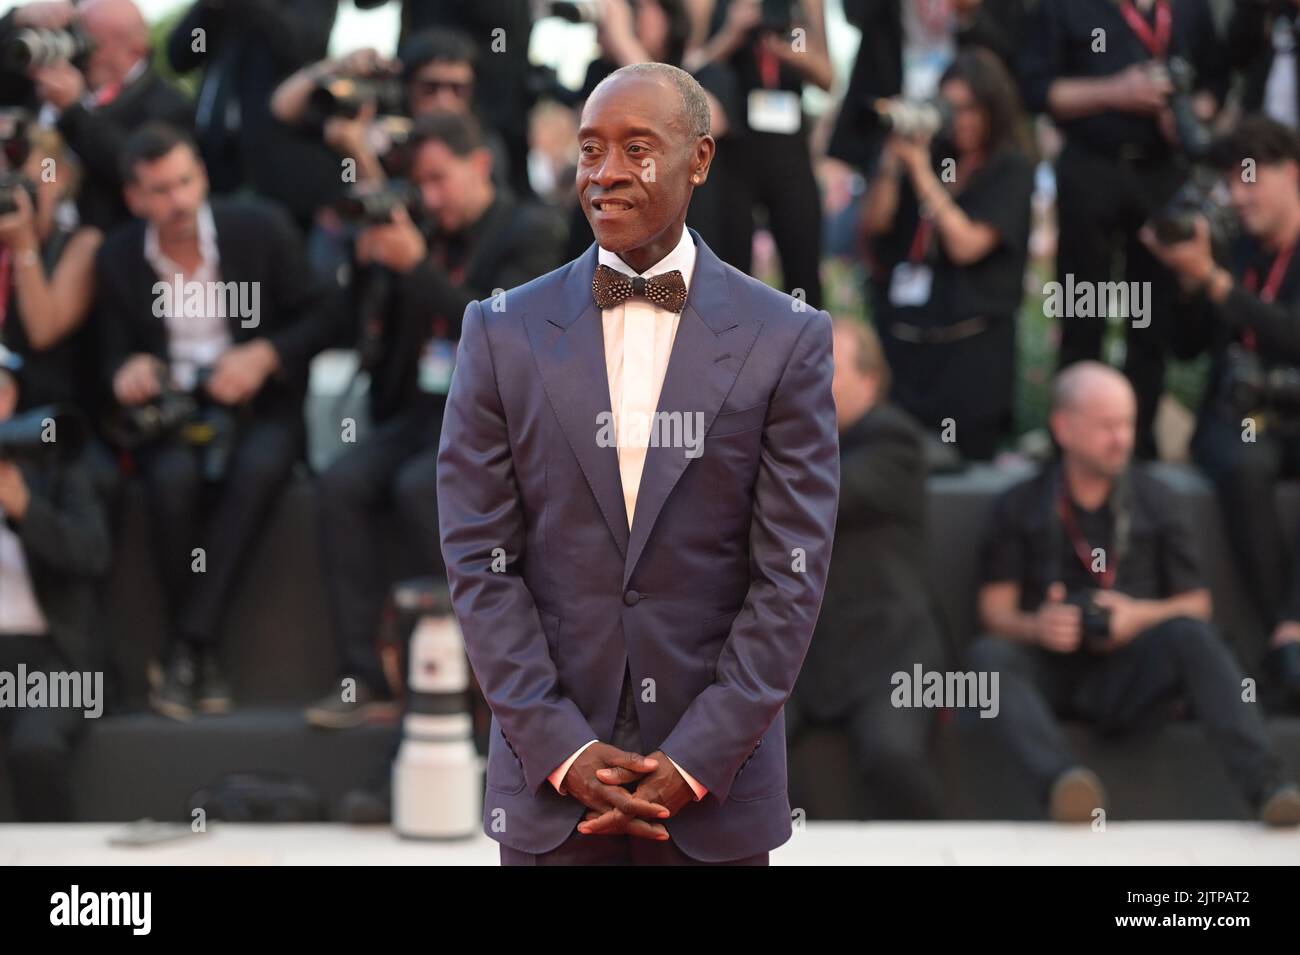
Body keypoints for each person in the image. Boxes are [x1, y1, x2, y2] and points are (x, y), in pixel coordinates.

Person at [436, 62, 839, 865]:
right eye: (590, 149)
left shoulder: (786, 336)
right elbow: (479, 560)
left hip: (714, 797)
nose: (607, 172)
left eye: (637, 147)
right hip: (550, 791)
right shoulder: (500, 330)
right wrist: (560, 747)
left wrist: (696, 759)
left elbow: (791, 575)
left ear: (700, 160)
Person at [305, 110, 566, 729]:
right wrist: (379, 267)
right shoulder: (427, 230)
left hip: (496, 424)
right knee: (339, 484)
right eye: (421, 183)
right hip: (420, 414)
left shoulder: (532, 230)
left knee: (421, 488)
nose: (430, 196)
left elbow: (499, 334)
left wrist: (416, 267)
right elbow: (373, 329)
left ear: (478, 165)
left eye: (438, 179)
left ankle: (491, 683)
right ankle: (366, 679)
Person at [966, 361, 1300, 826]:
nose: (1122, 438)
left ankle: (1269, 786)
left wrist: (1136, 616)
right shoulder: (1020, 504)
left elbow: (1196, 605)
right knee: (988, 659)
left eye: (1127, 423)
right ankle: (1065, 784)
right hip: (1051, 671)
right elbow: (994, 610)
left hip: (1132, 670)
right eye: (1107, 426)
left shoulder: (1156, 498)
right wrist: (1037, 625)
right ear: (1063, 426)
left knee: (1193, 637)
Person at [96, 124, 337, 721]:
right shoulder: (120, 256)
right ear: (134, 198)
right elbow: (104, 354)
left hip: (261, 405)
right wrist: (127, 370)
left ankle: (188, 647)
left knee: (257, 471)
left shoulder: (259, 227)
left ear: (202, 175)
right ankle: (198, 652)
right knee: (171, 482)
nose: (177, 200)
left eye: (184, 182)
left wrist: (265, 355)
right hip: (170, 414)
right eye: (159, 190)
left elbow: (327, 315)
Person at [1018, 0, 1227, 459]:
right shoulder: (1067, 11)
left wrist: (1190, 113)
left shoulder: (1189, 10)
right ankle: (1073, 441)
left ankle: (1139, 442)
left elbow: (1217, 81)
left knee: (1150, 315)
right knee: (1081, 310)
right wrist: (1115, 91)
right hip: (1092, 169)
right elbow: (1037, 89)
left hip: (1161, 174)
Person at [1142, 116, 1300, 711]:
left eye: (1251, 180)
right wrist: (1185, 280)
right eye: (1232, 182)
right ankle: (1285, 634)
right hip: (1242, 417)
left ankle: (1290, 628)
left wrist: (1214, 283)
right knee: (1239, 464)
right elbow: (1184, 346)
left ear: (1292, 174)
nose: (1238, 196)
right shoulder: (1230, 245)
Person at [787, 317, 945, 819]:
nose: (811, 381)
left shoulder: (893, 442)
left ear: (870, 380)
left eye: (827, 369)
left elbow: (823, 495)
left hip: (890, 654)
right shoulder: (795, 444)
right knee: (743, 749)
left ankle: (939, 851)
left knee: (891, 755)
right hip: (804, 657)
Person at [860, 47, 1033, 460]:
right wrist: (891, 163)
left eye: (970, 109)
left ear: (994, 109)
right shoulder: (932, 154)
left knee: (966, 483)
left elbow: (967, 244)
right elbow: (875, 224)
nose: (959, 120)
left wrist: (920, 173)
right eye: (949, 107)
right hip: (907, 350)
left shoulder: (1010, 168)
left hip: (970, 361)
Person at [0, 367, 111, 821]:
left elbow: (91, 554)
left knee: (35, 748)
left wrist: (26, 510)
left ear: (12, 399)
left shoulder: (57, 463)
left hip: (55, 656)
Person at [688, 0, 833, 308]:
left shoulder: (807, 4)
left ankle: (803, 346)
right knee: (731, 265)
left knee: (803, 265)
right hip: (736, 151)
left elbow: (828, 77)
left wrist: (789, 53)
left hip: (790, 151)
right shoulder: (712, 6)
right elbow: (688, 69)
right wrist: (732, 31)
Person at [16, 0, 192, 231]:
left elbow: (136, 168)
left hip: (105, 244)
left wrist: (73, 112)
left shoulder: (168, 105)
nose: (76, 48)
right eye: (73, 33)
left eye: (90, 42)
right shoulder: (53, 81)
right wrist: (18, 17)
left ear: (135, 49)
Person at [165, 0, 341, 231]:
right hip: (215, 162)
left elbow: (302, 48)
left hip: (280, 171)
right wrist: (207, 9)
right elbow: (180, 58)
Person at [825, 0, 1028, 177]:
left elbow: (1010, 53)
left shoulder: (1005, 163)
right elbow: (853, 12)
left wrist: (969, 13)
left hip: (955, 135)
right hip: (893, 117)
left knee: (947, 181)